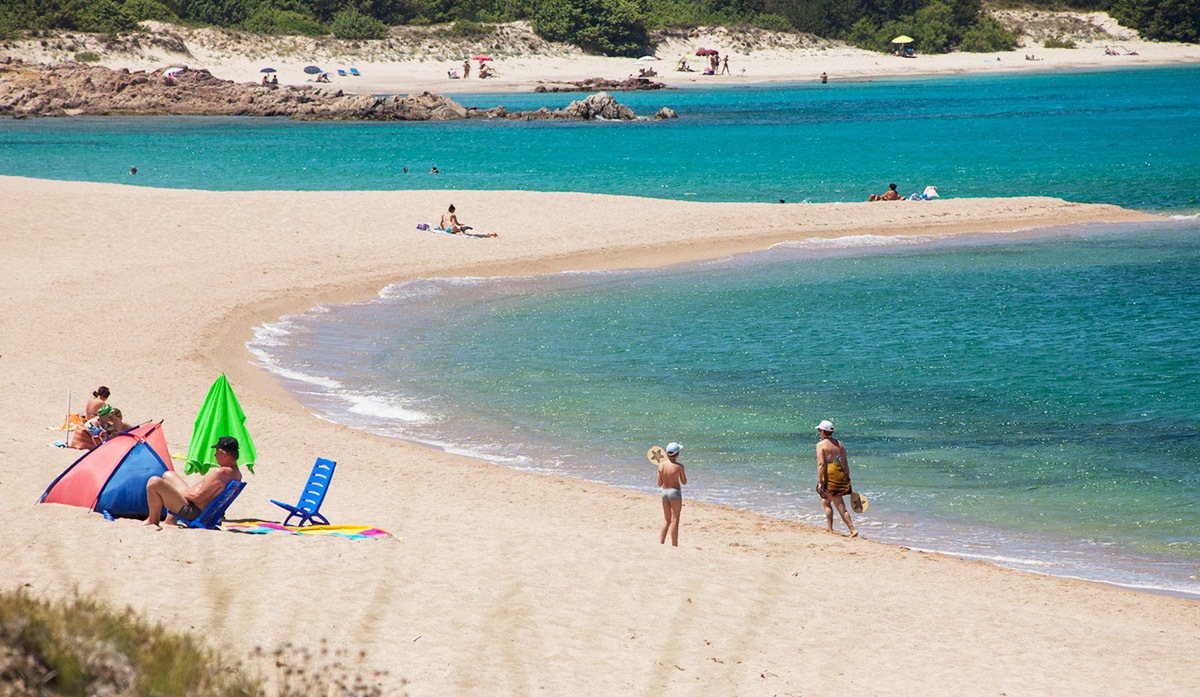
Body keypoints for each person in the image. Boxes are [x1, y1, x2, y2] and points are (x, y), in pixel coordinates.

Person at [143, 436, 243, 528]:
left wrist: (178, 493)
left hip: (192, 512)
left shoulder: (220, 473)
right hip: (199, 508)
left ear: (224, 455)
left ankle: (153, 520)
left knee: (154, 482)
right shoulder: (236, 473)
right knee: (169, 475)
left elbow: (197, 497)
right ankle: (170, 520)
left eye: (217, 453)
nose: (215, 455)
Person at [814, 420, 857, 537]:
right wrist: (847, 477)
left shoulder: (820, 445)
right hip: (840, 474)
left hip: (830, 475)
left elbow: (821, 464)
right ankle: (830, 529)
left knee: (839, 505)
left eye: (819, 430)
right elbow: (845, 462)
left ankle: (852, 529)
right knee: (826, 501)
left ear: (823, 431)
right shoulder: (839, 443)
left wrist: (819, 481)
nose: (819, 432)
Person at [657, 442, 688, 546]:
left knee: (667, 520)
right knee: (675, 520)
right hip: (674, 492)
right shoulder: (679, 467)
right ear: (677, 454)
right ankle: (674, 545)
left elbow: (659, 483)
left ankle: (661, 542)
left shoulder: (661, 466)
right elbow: (684, 482)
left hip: (664, 492)